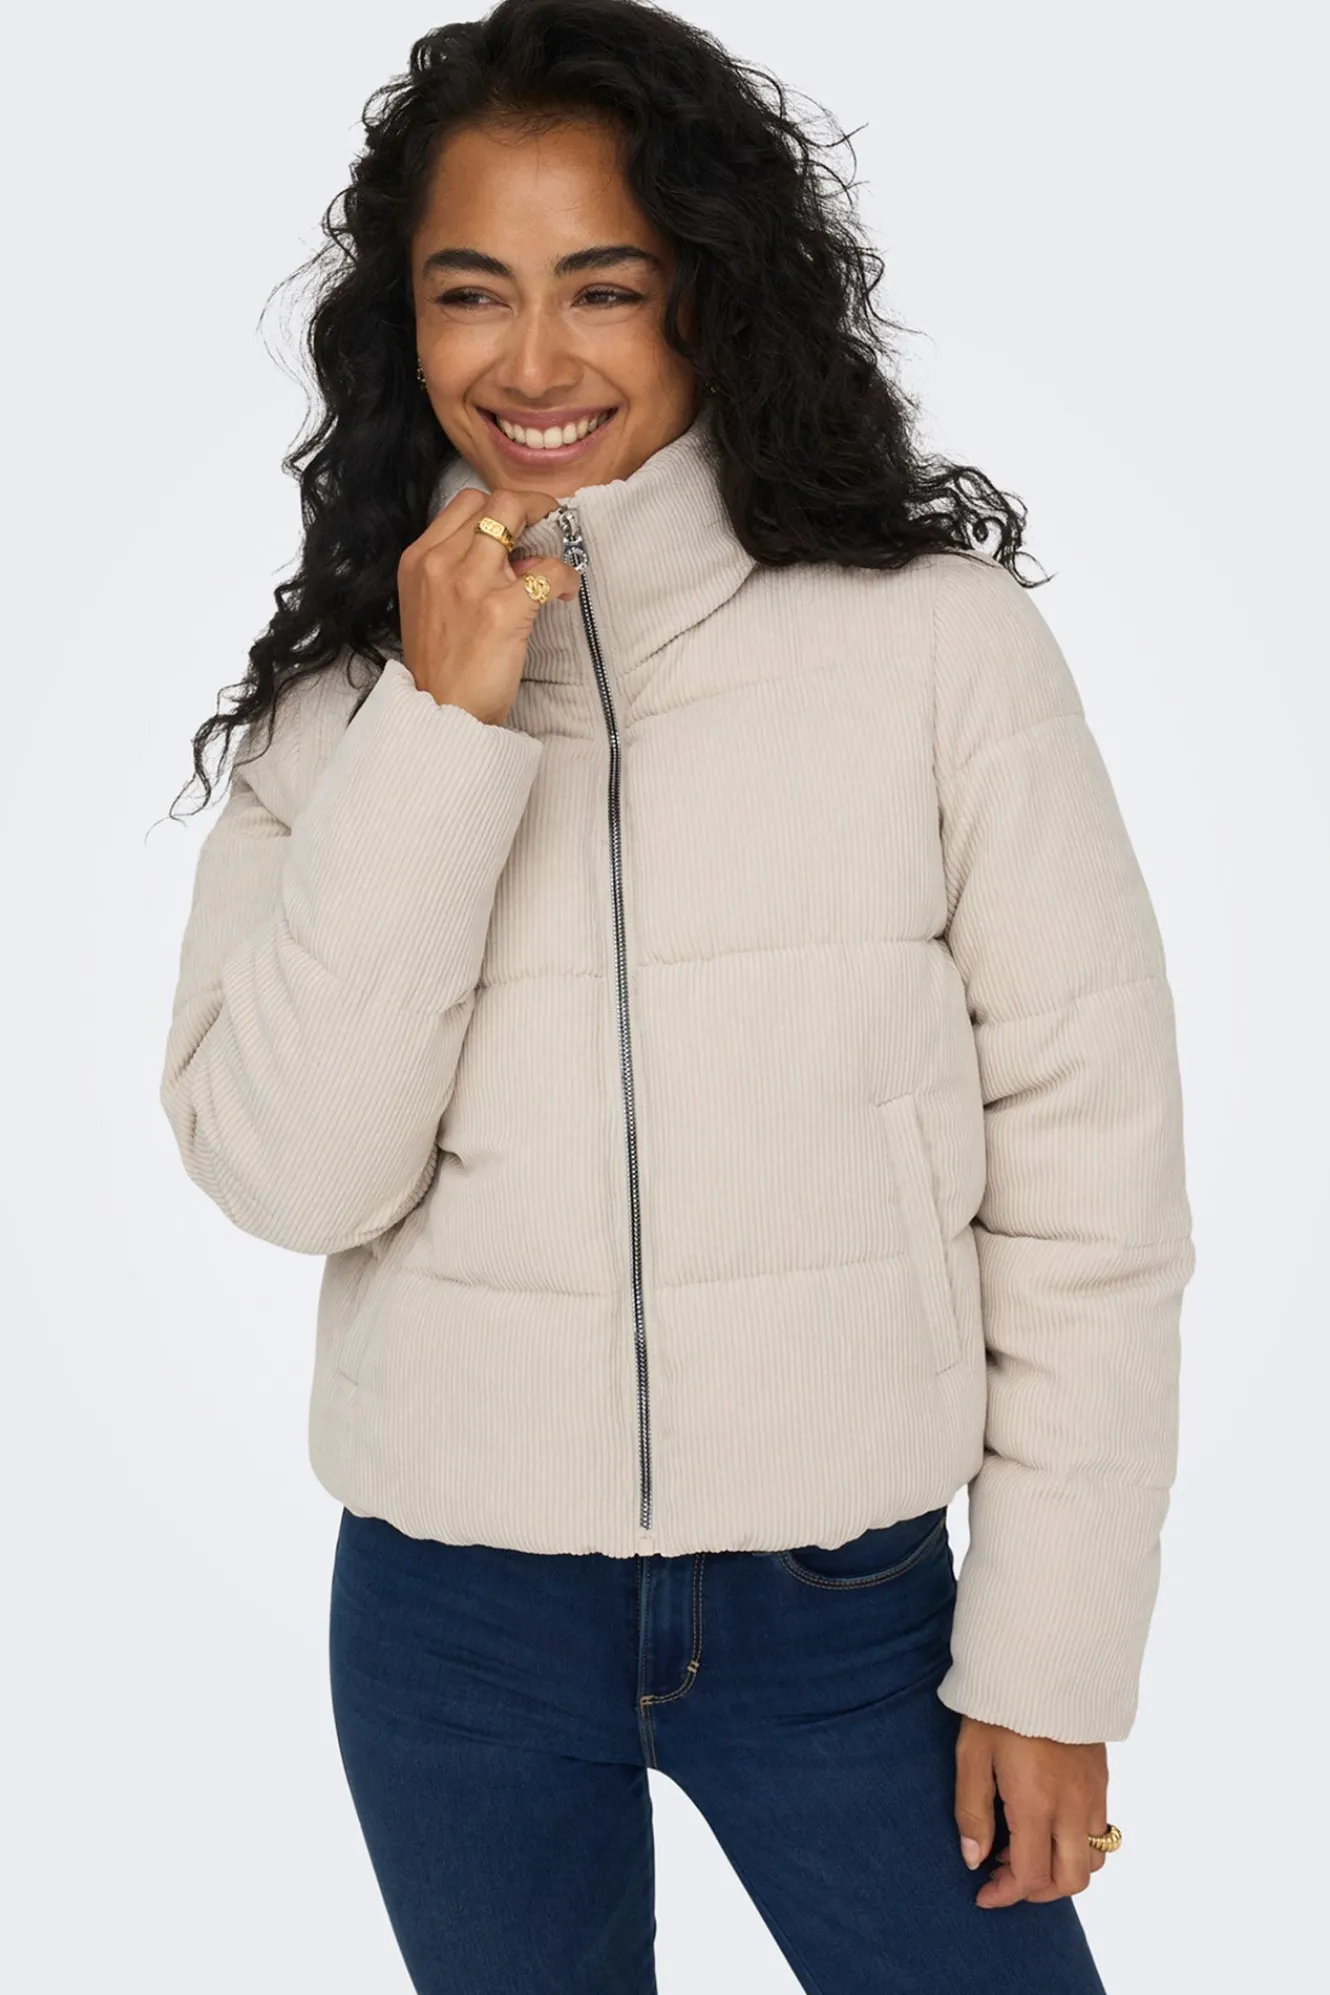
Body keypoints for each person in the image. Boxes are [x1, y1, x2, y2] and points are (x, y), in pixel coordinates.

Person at [157, 2, 1195, 1988]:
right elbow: (289, 1174)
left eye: (603, 288)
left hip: (849, 1615)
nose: (532, 362)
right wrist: (445, 724)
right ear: (403, 322)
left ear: (709, 298)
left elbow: (1090, 1184)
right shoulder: (344, 707)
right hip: (449, 1619)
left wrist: (1052, 1656)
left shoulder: (933, 649)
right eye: (472, 292)